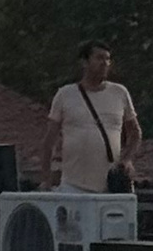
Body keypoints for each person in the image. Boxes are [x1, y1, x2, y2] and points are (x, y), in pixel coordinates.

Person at [45, 41, 140, 192]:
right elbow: (49, 140)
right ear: (84, 62)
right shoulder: (65, 94)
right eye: (99, 58)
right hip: (73, 185)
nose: (105, 63)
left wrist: (127, 159)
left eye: (107, 59)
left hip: (111, 185)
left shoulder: (120, 93)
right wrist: (46, 180)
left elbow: (135, 132)